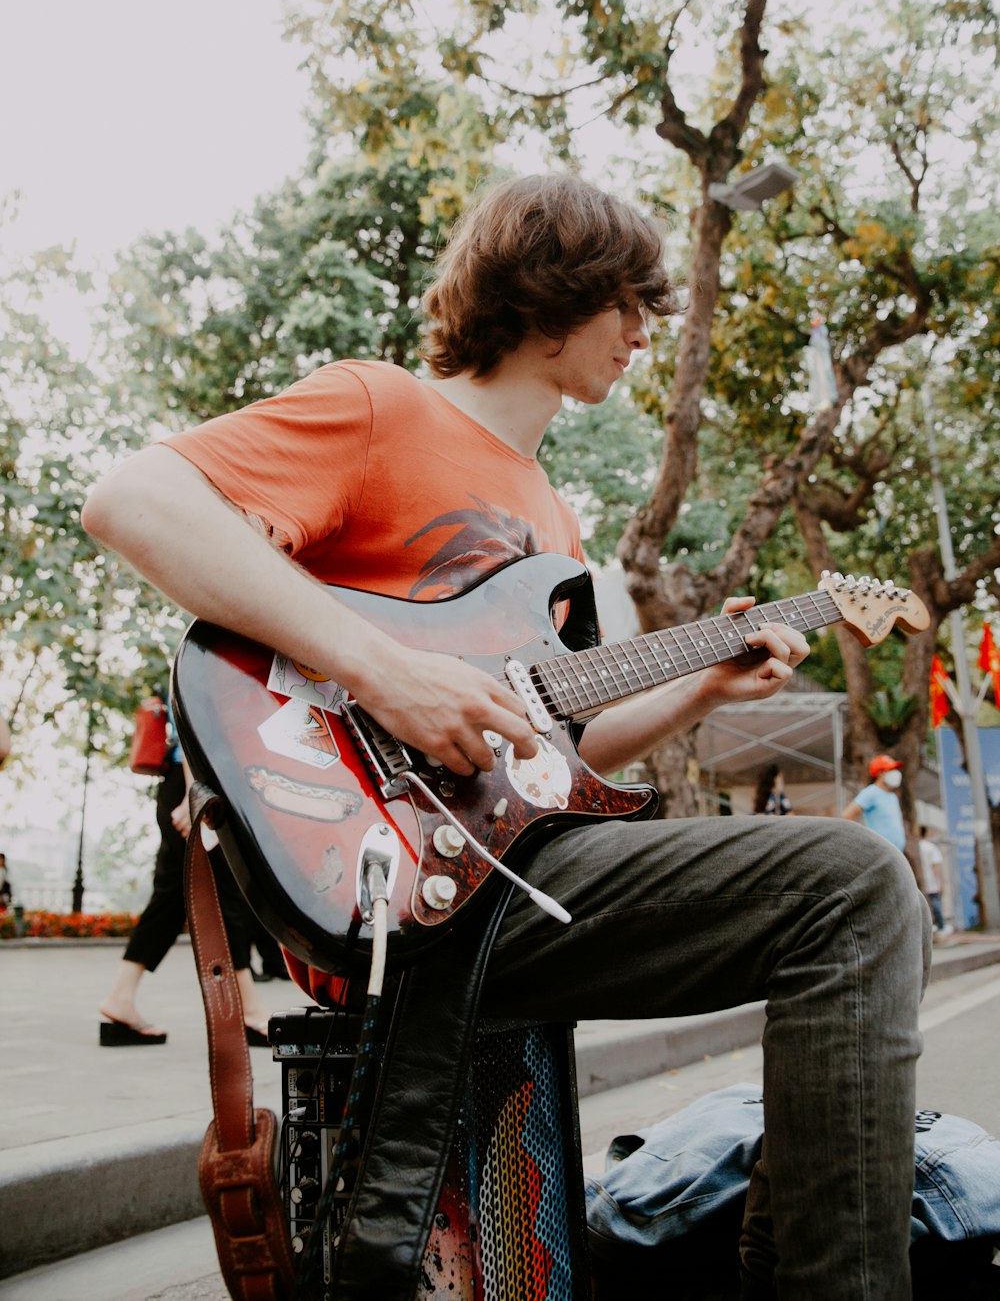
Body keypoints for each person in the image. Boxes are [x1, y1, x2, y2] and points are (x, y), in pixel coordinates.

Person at [82, 173, 930, 1299]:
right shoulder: (382, 407)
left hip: (513, 875)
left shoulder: (551, 517)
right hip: (391, 894)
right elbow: (133, 500)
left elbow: (543, 768)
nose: (642, 331)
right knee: (854, 884)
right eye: (626, 300)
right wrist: (383, 670)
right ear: (550, 290)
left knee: (853, 900)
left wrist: (693, 691)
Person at [98, 702, 277, 1046]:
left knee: (172, 898)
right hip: (193, 789)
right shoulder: (199, 649)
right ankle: (249, 1010)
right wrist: (192, 796)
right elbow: (189, 720)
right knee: (226, 894)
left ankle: (121, 997)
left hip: (187, 788)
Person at [843, 752, 907, 852]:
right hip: (880, 851)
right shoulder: (871, 792)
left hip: (896, 852)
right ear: (880, 774)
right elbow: (847, 815)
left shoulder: (892, 796)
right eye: (890, 770)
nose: (895, 772)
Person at [918, 825, 946, 933]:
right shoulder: (931, 847)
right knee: (936, 905)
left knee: (924, 906)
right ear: (926, 834)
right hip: (932, 882)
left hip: (918, 884)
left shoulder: (913, 847)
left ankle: (929, 928)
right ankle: (941, 927)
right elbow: (936, 866)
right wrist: (940, 882)